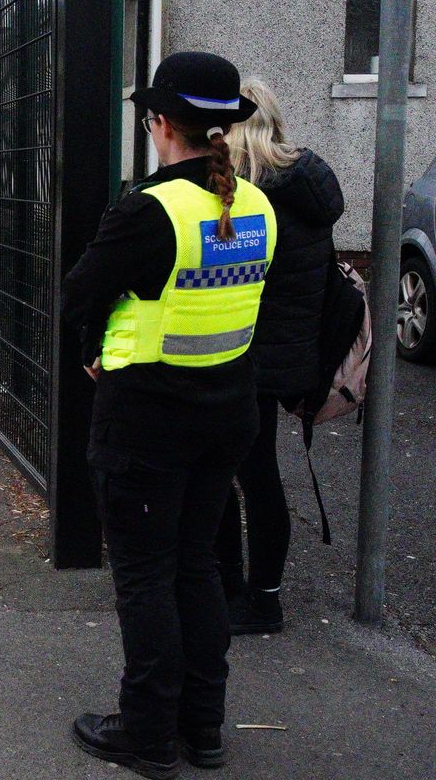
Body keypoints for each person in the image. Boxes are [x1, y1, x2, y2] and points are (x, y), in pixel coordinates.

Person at [61, 52, 277, 778]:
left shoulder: (149, 209)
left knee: (146, 576)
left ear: (160, 124)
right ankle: (202, 727)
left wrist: (96, 346)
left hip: (148, 420)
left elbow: (82, 291)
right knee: (198, 566)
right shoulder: (256, 205)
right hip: (228, 414)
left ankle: (148, 734)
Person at [213, 79, 344, 636]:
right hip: (287, 356)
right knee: (255, 472)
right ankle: (252, 593)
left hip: (245, 353)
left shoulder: (250, 195)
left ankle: (250, 598)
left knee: (237, 475)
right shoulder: (305, 184)